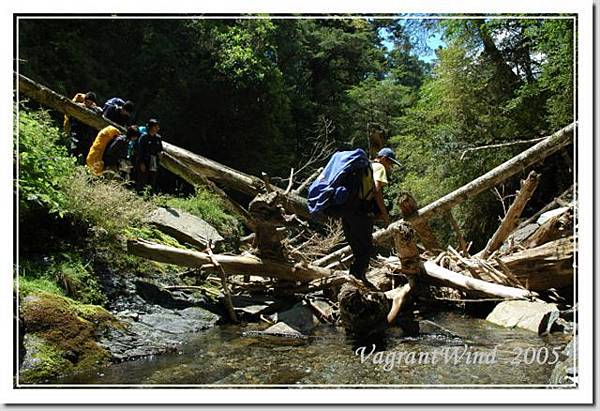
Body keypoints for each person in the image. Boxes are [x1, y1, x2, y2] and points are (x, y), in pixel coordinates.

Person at [341, 147, 401, 288]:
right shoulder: (379, 167)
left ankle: (355, 279)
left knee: (357, 248)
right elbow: (377, 190)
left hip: (347, 210)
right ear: (384, 159)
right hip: (361, 213)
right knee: (366, 249)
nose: (390, 167)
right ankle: (356, 282)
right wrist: (385, 216)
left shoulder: (361, 167)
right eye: (390, 163)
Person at [64, 92, 102, 164]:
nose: (88, 104)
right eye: (87, 102)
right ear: (84, 100)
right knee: (74, 152)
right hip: (76, 133)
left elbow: (100, 112)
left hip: (87, 137)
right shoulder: (78, 106)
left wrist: (96, 108)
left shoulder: (94, 109)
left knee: (87, 156)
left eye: (90, 103)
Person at [136, 119, 163, 192]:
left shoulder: (158, 138)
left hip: (153, 162)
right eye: (156, 127)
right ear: (152, 127)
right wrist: (141, 163)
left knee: (152, 180)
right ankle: (139, 194)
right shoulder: (144, 137)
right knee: (142, 179)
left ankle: (148, 196)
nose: (158, 128)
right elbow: (140, 151)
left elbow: (160, 149)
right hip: (144, 161)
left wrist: (160, 154)